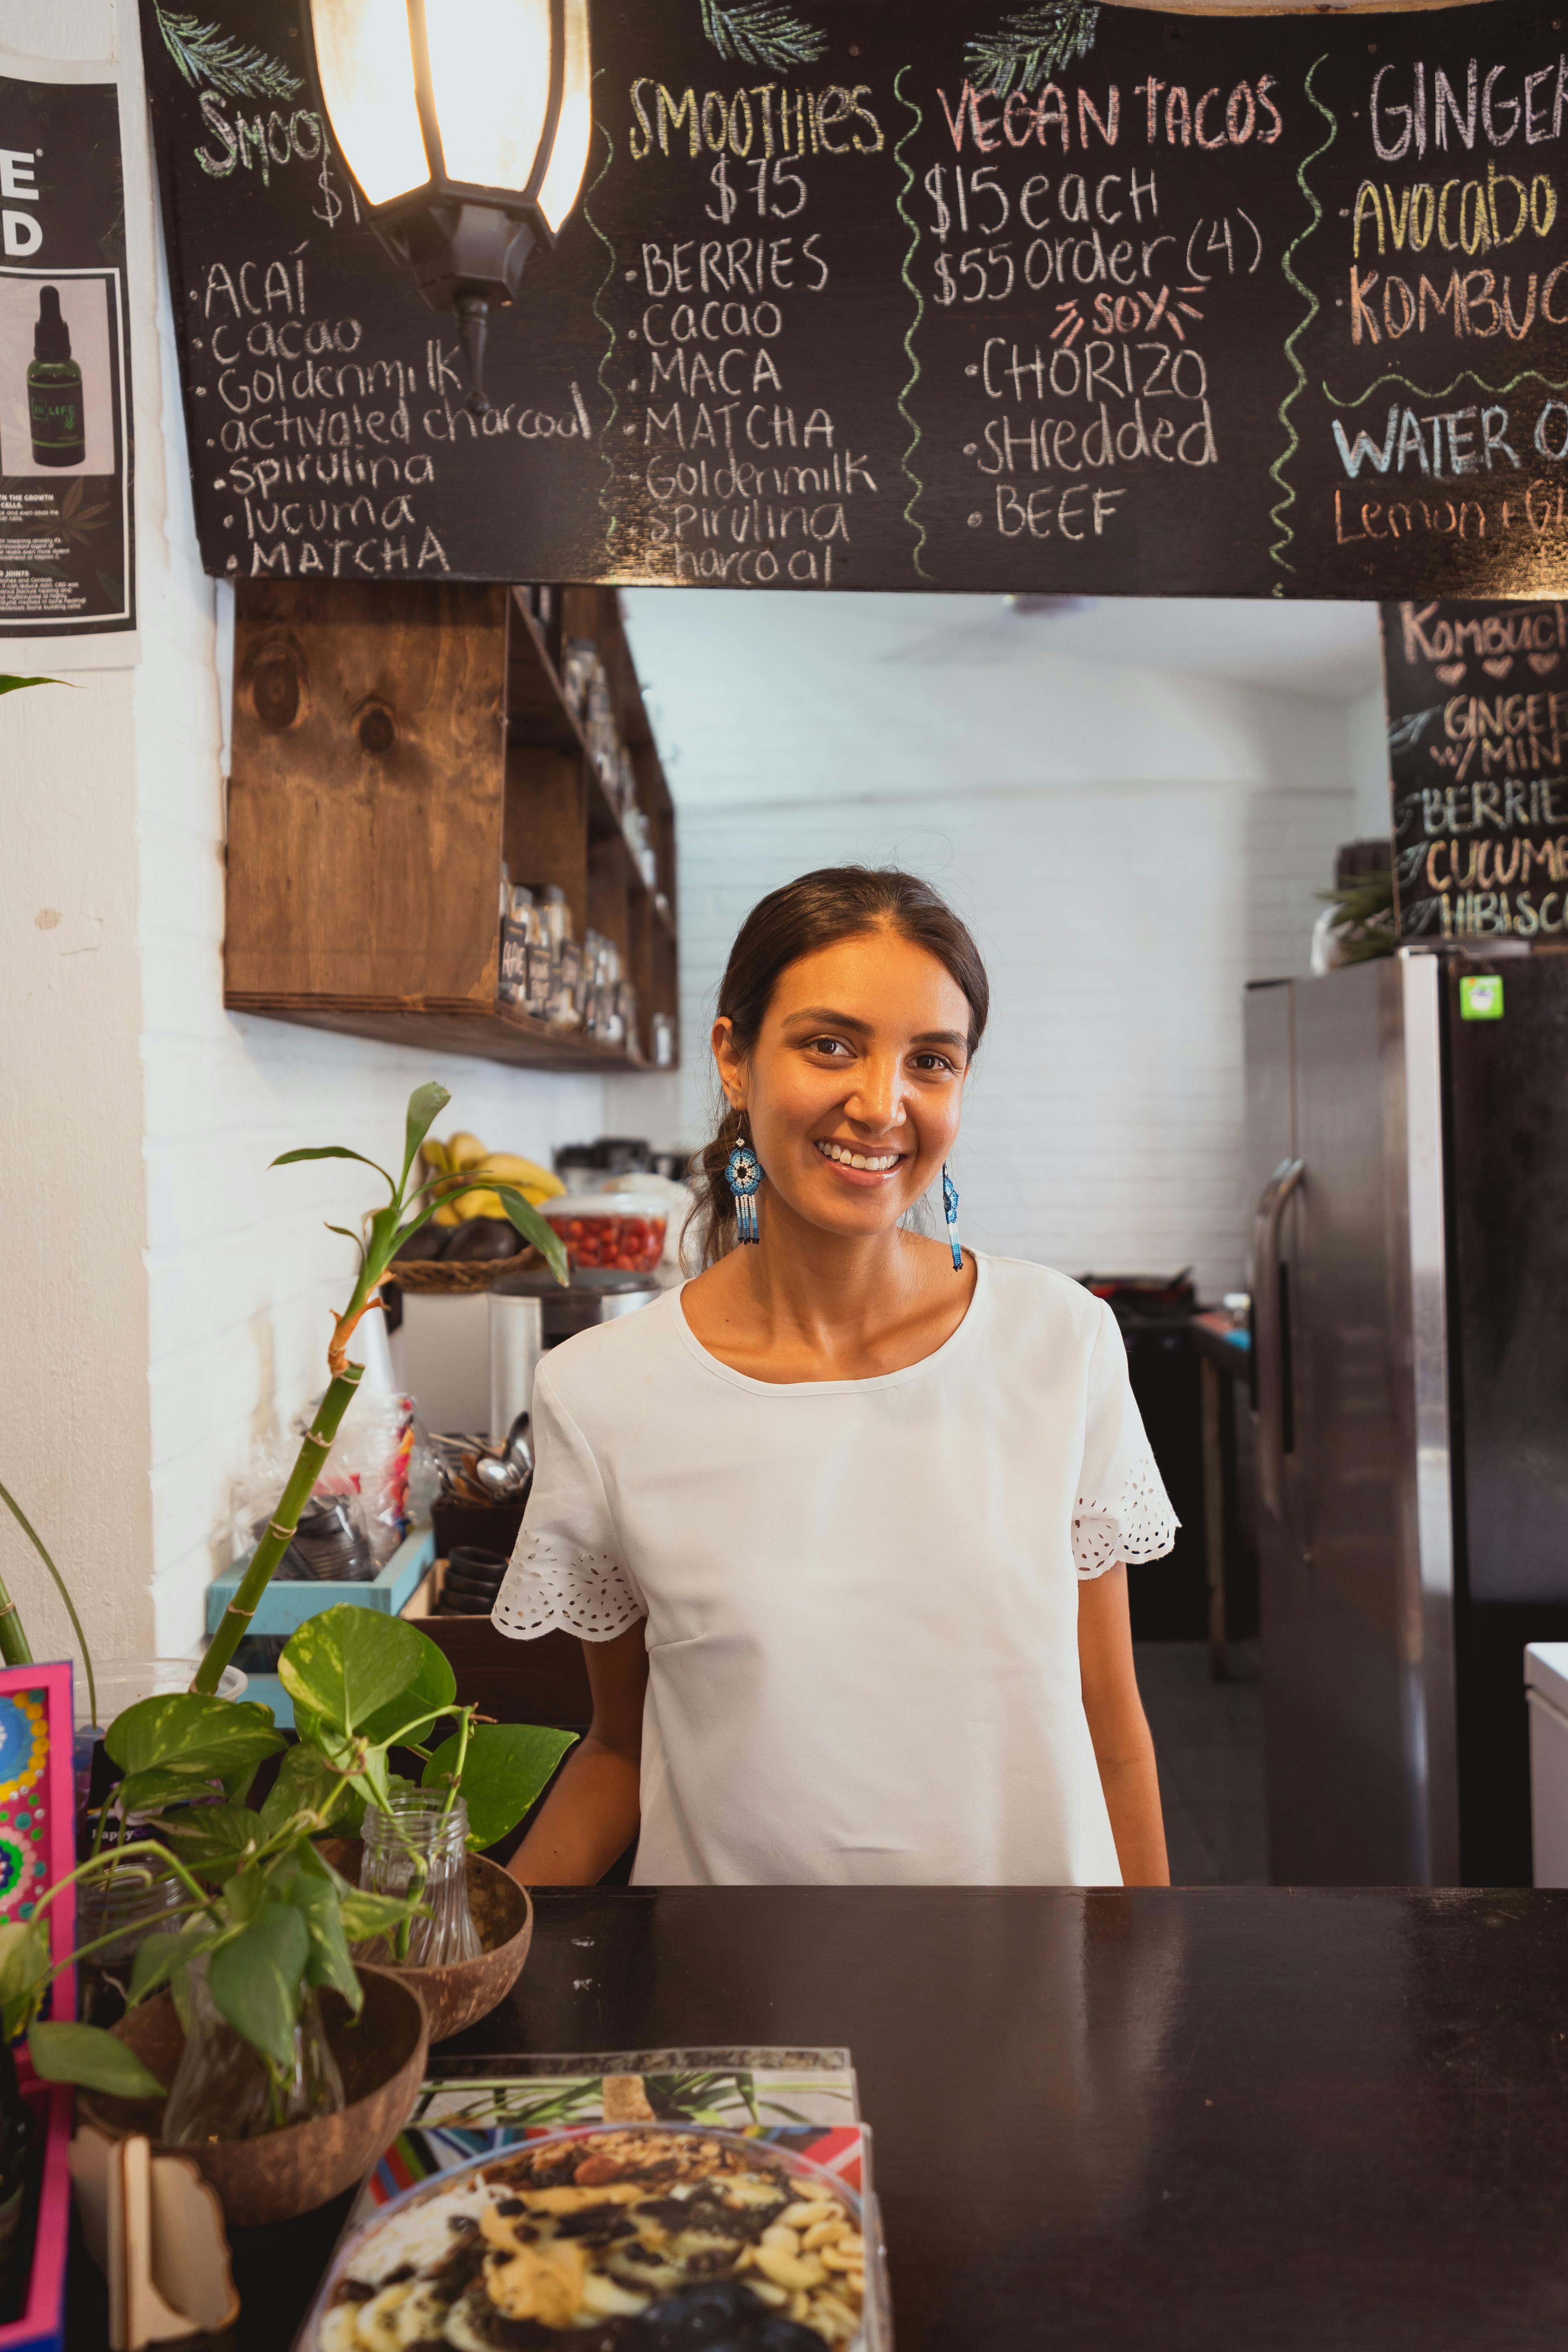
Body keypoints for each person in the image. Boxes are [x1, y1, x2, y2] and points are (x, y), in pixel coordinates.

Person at [496, 867, 1177, 1888]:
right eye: (831, 1045)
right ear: (735, 1058)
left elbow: (1109, 1721)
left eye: (931, 1060)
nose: (880, 1103)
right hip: (739, 2019)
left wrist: (1157, 1989)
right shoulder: (600, 1395)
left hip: (1037, 2003)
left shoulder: (1061, 1345)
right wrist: (476, 1955)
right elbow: (623, 1748)